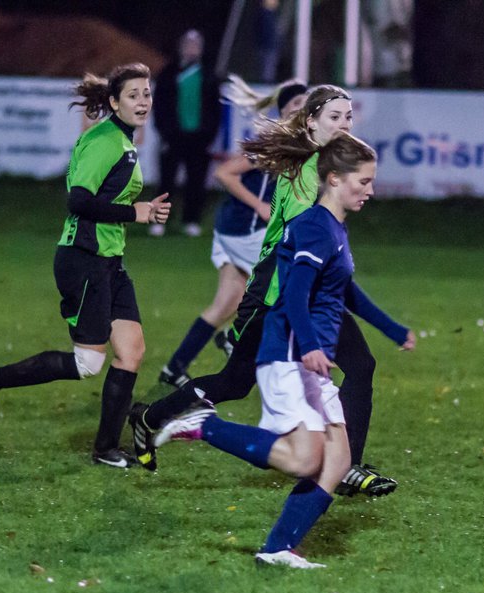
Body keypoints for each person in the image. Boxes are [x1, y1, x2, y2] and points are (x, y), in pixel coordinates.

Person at [148, 134, 415, 568]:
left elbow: (345, 290)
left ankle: (277, 549)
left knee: (339, 460)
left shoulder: (333, 227)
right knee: (305, 459)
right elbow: (293, 291)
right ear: (333, 179)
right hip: (289, 353)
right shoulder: (313, 226)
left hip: (308, 357)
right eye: (363, 182)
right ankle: (203, 425)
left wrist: (392, 329)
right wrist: (309, 345)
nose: (371, 190)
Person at [130, 85, 400, 498]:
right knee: (236, 382)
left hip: (311, 291)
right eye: (335, 117)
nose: (345, 124)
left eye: (349, 117)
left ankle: (347, 467)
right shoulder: (305, 173)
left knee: (360, 365)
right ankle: (150, 418)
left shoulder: (328, 166)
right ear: (311, 121)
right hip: (276, 292)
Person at [0, 64, 172, 468]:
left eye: (146, 94)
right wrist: (136, 213)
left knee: (132, 351)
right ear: (114, 102)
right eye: (133, 95)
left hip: (110, 262)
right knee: (87, 363)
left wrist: (138, 214)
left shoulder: (123, 141)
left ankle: (106, 448)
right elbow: (78, 201)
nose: (143, 101)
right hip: (83, 261)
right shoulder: (105, 142)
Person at [156, 78, 309, 388]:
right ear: (283, 110)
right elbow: (224, 173)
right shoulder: (274, 142)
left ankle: (175, 368)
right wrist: (260, 206)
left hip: (230, 229)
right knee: (287, 288)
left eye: (306, 105)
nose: (302, 110)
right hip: (245, 232)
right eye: (296, 105)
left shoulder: (294, 143)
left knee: (227, 303)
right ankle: (237, 339)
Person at [151, 30, 222, 237]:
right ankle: (160, 221)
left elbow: (215, 110)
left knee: (196, 181)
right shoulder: (169, 73)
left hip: (199, 138)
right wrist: (164, 132)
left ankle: (191, 220)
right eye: (188, 45)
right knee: (166, 181)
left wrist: (209, 135)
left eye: (195, 46)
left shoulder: (208, 75)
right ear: (181, 47)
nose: (192, 49)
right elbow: (159, 107)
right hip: (173, 135)